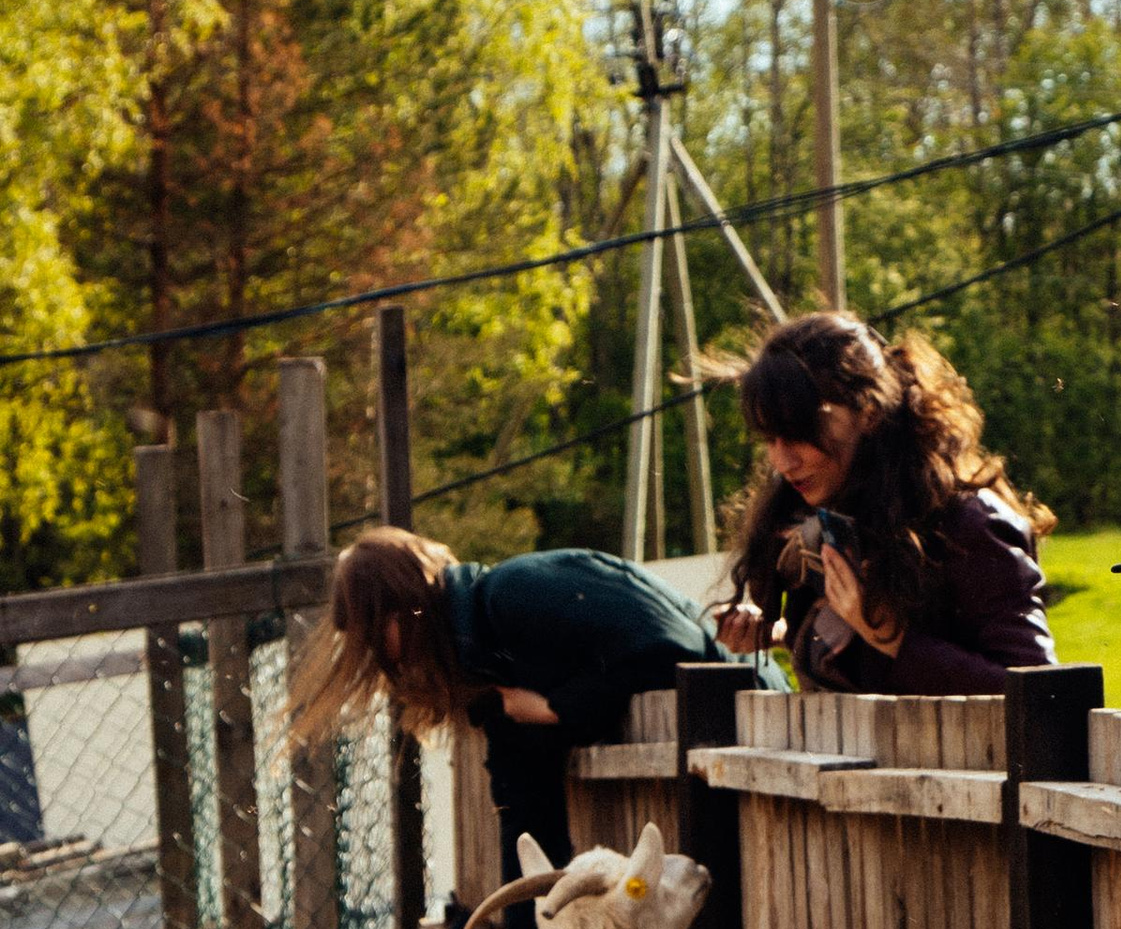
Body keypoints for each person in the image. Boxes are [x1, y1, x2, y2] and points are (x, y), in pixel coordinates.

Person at [293, 530, 719, 880]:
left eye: (374, 634)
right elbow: (526, 836)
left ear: (402, 609)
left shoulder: (514, 593)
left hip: (725, 725)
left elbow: (674, 645)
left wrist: (557, 708)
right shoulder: (493, 678)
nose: (381, 658)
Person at [716, 312, 1058, 692]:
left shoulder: (970, 525)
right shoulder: (815, 528)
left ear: (869, 413)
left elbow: (1042, 694)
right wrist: (777, 631)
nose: (782, 462)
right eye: (770, 439)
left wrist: (891, 637)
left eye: (799, 433)